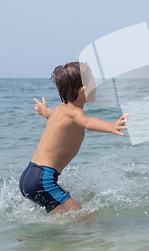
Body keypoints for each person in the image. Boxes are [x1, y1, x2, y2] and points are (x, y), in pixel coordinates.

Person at [19, 62, 129, 214]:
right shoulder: (77, 113)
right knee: (83, 219)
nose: (96, 85)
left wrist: (44, 111)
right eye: (94, 82)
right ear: (83, 90)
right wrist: (112, 127)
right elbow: (88, 122)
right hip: (42, 180)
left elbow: (50, 115)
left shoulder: (60, 110)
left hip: (30, 175)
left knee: (68, 218)